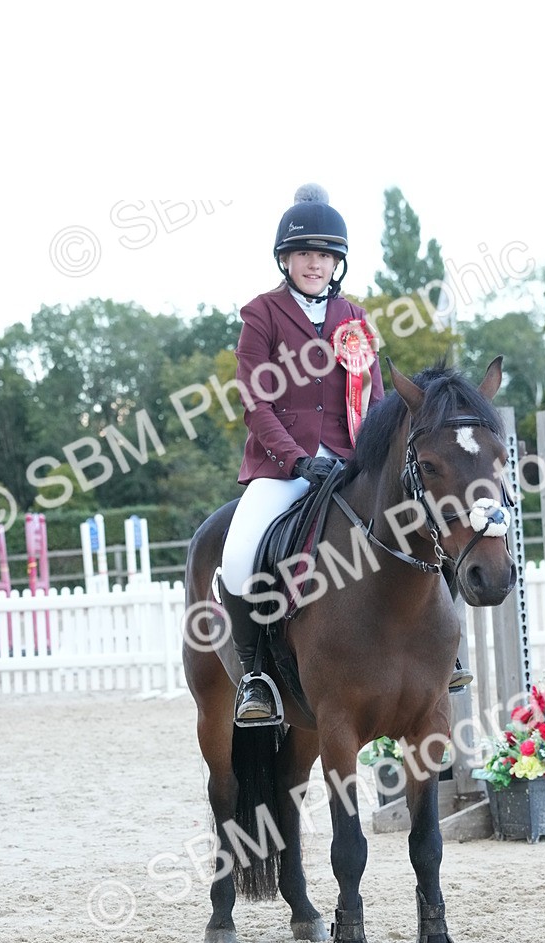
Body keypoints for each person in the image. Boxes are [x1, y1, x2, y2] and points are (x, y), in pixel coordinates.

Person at [220, 184, 385, 726]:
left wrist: (372, 459)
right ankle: (256, 677)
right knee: (239, 558)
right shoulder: (261, 314)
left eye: (324, 254)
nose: (315, 264)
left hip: (349, 461)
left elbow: (375, 400)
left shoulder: (354, 318)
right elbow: (255, 402)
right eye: (304, 254)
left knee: (417, 523)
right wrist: (294, 461)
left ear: (337, 262)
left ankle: (442, 653)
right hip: (283, 467)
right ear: (286, 259)